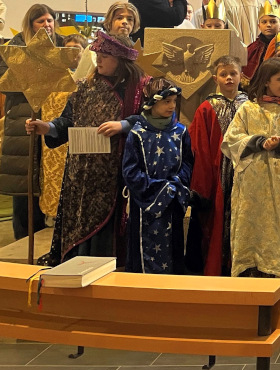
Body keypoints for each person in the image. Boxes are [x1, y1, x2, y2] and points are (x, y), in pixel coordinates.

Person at [28, 31, 144, 264]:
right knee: (79, 221)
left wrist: (123, 125)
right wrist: (47, 127)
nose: (98, 60)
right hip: (81, 174)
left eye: (105, 56)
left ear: (121, 60)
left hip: (116, 174)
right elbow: (67, 121)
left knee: (105, 230)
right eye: (97, 55)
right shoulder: (84, 87)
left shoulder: (138, 89)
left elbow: (151, 120)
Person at [222, 58, 280, 278]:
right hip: (251, 182)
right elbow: (231, 139)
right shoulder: (248, 109)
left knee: (278, 226)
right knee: (249, 225)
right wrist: (259, 142)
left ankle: (275, 274)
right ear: (266, 81)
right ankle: (249, 270)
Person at [0, 5, 73, 239]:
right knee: (26, 186)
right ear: (30, 24)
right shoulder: (14, 49)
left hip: (53, 122)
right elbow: (6, 82)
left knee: (51, 181)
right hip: (23, 123)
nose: (47, 25)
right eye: (40, 21)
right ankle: (23, 239)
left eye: (50, 20)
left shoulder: (65, 47)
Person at [123, 81, 193, 274]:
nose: (172, 106)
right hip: (144, 202)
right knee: (143, 249)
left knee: (173, 248)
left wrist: (176, 185)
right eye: (166, 101)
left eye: (174, 101)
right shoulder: (137, 134)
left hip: (173, 199)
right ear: (151, 104)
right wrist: (155, 189)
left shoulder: (181, 132)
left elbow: (187, 162)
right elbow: (130, 170)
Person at [187, 55, 248, 276]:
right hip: (218, 172)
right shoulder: (206, 108)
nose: (229, 78)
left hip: (244, 170)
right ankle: (219, 266)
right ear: (216, 78)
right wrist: (203, 182)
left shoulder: (250, 105)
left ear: (241, 76)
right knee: (216, 219)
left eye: (233, 73)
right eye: (224, 74)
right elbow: (200, 145)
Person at [72, 2, 140, 81]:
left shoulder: (138, 52)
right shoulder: (93, 50)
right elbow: (78, 81)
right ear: (110, 21)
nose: (125, 22)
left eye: (130, 19)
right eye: (119, 18)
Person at [243, 1, 280, 80]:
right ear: (259, 26)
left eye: (273, 22)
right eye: (264, 22)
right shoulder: (253, 48)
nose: (268, 25)